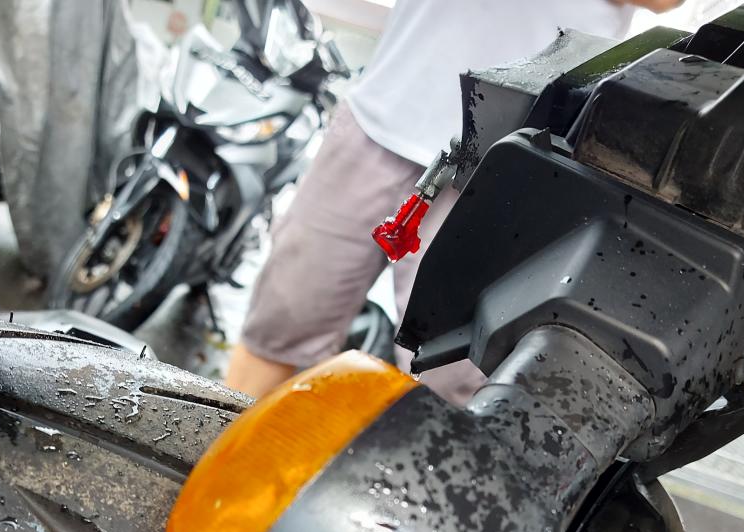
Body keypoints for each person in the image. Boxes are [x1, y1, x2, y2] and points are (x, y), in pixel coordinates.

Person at [225, 0, 683, 403]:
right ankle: (208, 459)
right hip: (383, 117)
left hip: (514, 160)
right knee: (281, 324)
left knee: (457, 380)